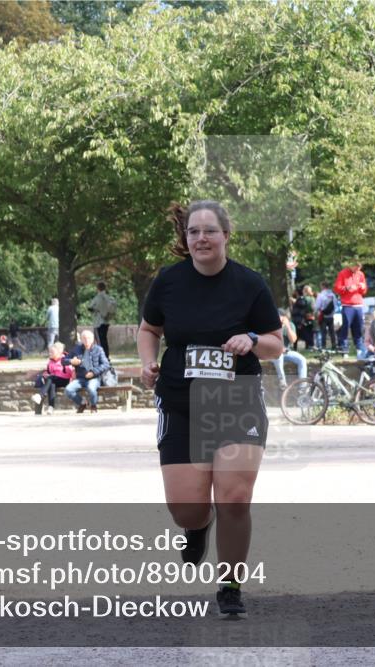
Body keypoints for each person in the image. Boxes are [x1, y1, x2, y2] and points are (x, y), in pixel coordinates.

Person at [136, 200, 282, 617]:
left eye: (209, 231)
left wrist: (251, 339)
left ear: (226, 236)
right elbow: (149, 329)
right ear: (186, 239)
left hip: (236, 399)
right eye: (194, 232)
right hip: (181, 402)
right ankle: (197, 525)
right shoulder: (169, 281)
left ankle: (230, 586)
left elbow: (275, 344)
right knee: (186, 506)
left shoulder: (249, 284)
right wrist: (148, 361)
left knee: (234, 498)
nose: (201, 238)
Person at [65, 329, 110, 413]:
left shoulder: (98, 349)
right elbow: (63, 361)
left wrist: (93, 372)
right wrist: (71, 361)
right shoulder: (76, 349)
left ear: (92, 339)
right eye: (84, 338)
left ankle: (93, 406)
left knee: (91, 388)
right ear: (81, 340)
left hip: (94, 378)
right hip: (80, 378)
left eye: (89, 338)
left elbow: (106, 364)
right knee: (68, 390)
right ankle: (82, 403)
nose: (86, 340)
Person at [334, 260, 367, 356]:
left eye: (359, 268)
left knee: (359, 328)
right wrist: (347, 288)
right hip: (347, 305)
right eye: (356, 267)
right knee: (345, 327)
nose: (357, 270)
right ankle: (344, 350)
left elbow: (364, 291)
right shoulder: (342, 273)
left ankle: (359, 349)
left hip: (358, 305)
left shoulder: (361, 274)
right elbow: (337, 288)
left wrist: (363, 287)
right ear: (351, 266)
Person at [31, 341, 75, 414]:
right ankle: (51, 407)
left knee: (51, 379)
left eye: (52, 352)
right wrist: (45, 375)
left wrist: (54, 375)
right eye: (50, 352)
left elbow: (70, 373)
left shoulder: (65, 359)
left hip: (64, 380)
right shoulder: (50, 361)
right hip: (53, 380)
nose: (50, 353)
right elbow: (48, 371)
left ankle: (40, 396)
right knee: (51, 384)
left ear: (59, 352)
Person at [272, 308, 307, 389]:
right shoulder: (271, 325)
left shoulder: (290, 325)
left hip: (286, 352)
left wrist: (287, 326)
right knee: (278, 355)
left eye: (278, 316)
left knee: (302, 360)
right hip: (273, 353)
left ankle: (303, 388)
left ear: (284, 317)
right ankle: (282, 382)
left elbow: (293, 340)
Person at [89, 282, 116, 359]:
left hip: (98, 322)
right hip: (106, 322)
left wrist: (96, 310)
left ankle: (101, 357)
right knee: (104, 341)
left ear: (97, 288)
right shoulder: (109, 298)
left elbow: (90, 307)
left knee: (99, 341)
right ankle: (106, 356)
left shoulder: (97, 298)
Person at [314, 281, 337, 351]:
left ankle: (323, 346)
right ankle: (334, 345)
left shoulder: (321, 295)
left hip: (323, 315)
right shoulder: (332, 295)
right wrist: (332, 313)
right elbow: (335, 305)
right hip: (331, 316)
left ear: (323, 286)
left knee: (323, 332)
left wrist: (316, 312)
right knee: (332, 331)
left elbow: (317, 306)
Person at [297, 284, 316, 349]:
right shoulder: (313, 298)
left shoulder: (304, 298)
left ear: (305, 291)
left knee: (306, 332)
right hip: (312, 317)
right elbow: (314, 308)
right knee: (311, 332)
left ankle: (309, 345)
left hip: (305, 317)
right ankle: (310, 345)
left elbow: (302, 307)